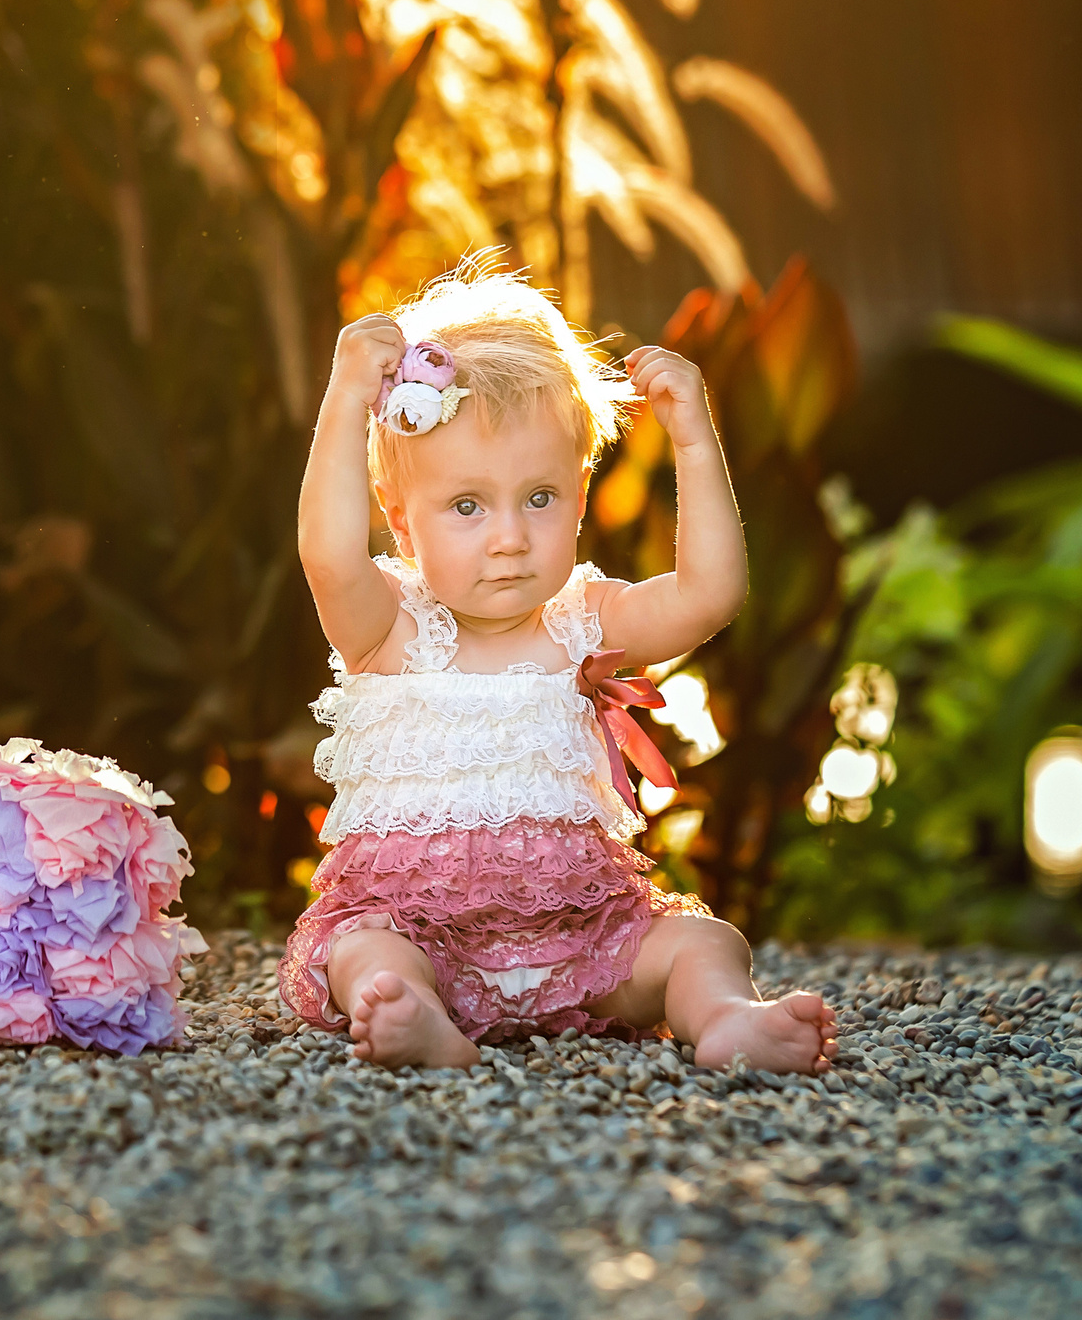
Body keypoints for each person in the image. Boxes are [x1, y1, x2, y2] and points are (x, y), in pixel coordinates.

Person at [281, 258, 839, 1071]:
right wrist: (342, 399)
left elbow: (710, 594)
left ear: (579, 497)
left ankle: (725, 1018)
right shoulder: (392, 630)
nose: (509, 536)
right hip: (428, 936)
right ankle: (420, 1020)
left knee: (701, 940)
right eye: (467, 506)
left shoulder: (587, 620)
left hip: (583, 941)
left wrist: (692, 437)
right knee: (366, 952)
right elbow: (328, 555)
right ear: (402, 524)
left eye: (538, 498)